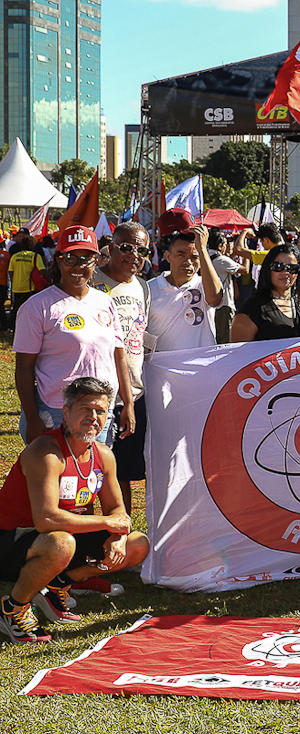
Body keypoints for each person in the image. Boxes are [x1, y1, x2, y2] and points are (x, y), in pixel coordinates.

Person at [0, 377, 149, 643]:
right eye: (84, 409)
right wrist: (108, 523)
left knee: (137, 545)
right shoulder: (46, 452)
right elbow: (46, 519)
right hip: (11, 541)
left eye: (100, 411)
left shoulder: (103, 455)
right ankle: (13, 609)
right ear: (66, 413)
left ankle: (57, 584)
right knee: (61, 543)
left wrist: (118, 537)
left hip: (59, 539)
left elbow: (117, 510)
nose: (93, 417)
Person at [14, 226, 133, 446]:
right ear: (58, 261)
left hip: (100, 413)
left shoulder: (105, 302)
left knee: (95, 468)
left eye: (87, 259)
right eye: (70, 258)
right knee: (56, 469)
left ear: (96, 262)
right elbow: (23, 368)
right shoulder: (36, 307)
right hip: (56, 413)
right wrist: (32, 418)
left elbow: (119, 357)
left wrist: (128, 403)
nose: (79, 266)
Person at [89, 221, 150, 522]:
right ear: (110, 248)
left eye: (142, 250)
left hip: (132, 394)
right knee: (91, 470)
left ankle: (120, 531)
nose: (134, 255)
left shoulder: (143, 287)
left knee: (122, 470)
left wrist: (130, 400)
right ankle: (88, 531)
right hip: (97, 395)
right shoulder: (91, 281)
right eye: (126, 247)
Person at [147, 221, 224, 355]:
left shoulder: (205, 285)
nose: (188, 262)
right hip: (161, 367)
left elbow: (214, 299)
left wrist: (202, 249)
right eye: (181, 255)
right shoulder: (149, 289)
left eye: (195, 257)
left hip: (201, 365)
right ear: (168, 256)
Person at [230, 244, 300, 342]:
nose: (285, 272)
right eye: (278, 267)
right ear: (267, 269)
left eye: (292, 268)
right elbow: (239, 350)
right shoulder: (252, 308)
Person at [207, 228, 242, 343]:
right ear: (220, 246)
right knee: (226, 338)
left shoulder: (205, 257)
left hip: (209, 304)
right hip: (224, 304)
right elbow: (245, 270)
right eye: (225, 245)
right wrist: (243, 252)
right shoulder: (222, 260)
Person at [7, 230, 43, 319]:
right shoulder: (35, 256)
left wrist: (13, 284)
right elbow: (42, 270)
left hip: (17, 287)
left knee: (16, 308)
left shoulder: (14, 256)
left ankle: (12, 325)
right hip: (30, 288)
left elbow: (10, 272)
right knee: (30, 309)